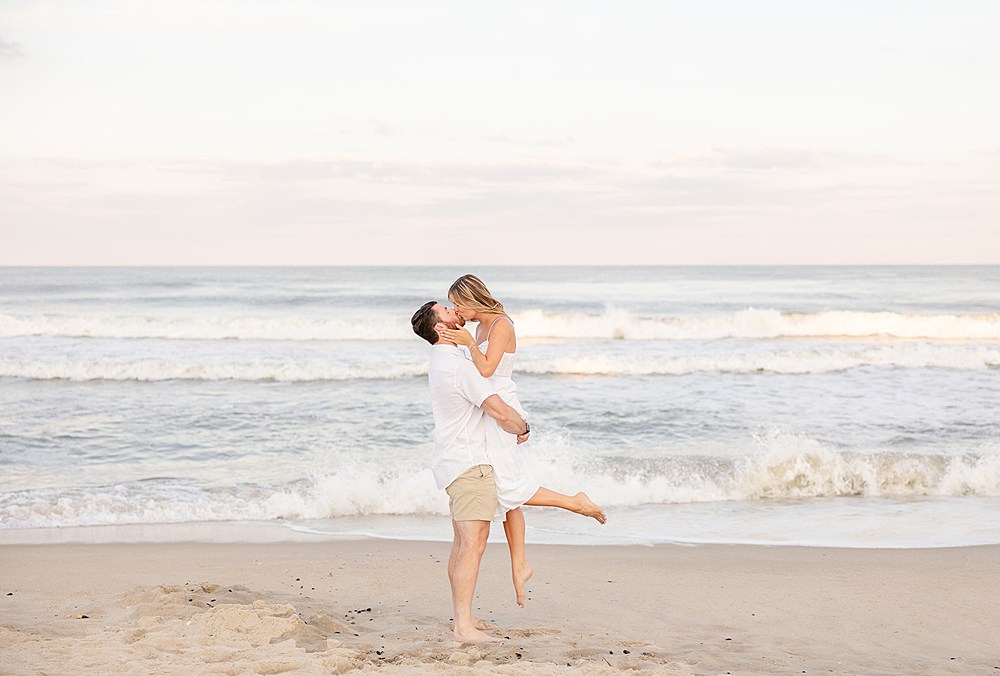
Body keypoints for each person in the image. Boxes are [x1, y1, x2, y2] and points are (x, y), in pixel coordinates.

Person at [437, 275, 606, 609]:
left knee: (511, 486)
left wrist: (467, 343)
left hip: (502, 409)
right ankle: (519, 566)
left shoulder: (500, 325)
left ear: (473, 300)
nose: (456, 310)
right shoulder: (479, 328)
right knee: (504, 488)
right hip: (487, 409)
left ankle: (576, 502)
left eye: (458, 303)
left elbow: (485, 370)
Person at [410, 300, 528, 643]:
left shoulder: (442, 360)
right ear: (440, 329)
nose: (454, 311)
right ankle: (463, 627)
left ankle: (464, 617)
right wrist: (522, 425)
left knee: (462, 544)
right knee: (473, 545)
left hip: (453, 462)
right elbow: (498, 410)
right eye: (447, 311)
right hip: (470, 464)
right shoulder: (460, 368)